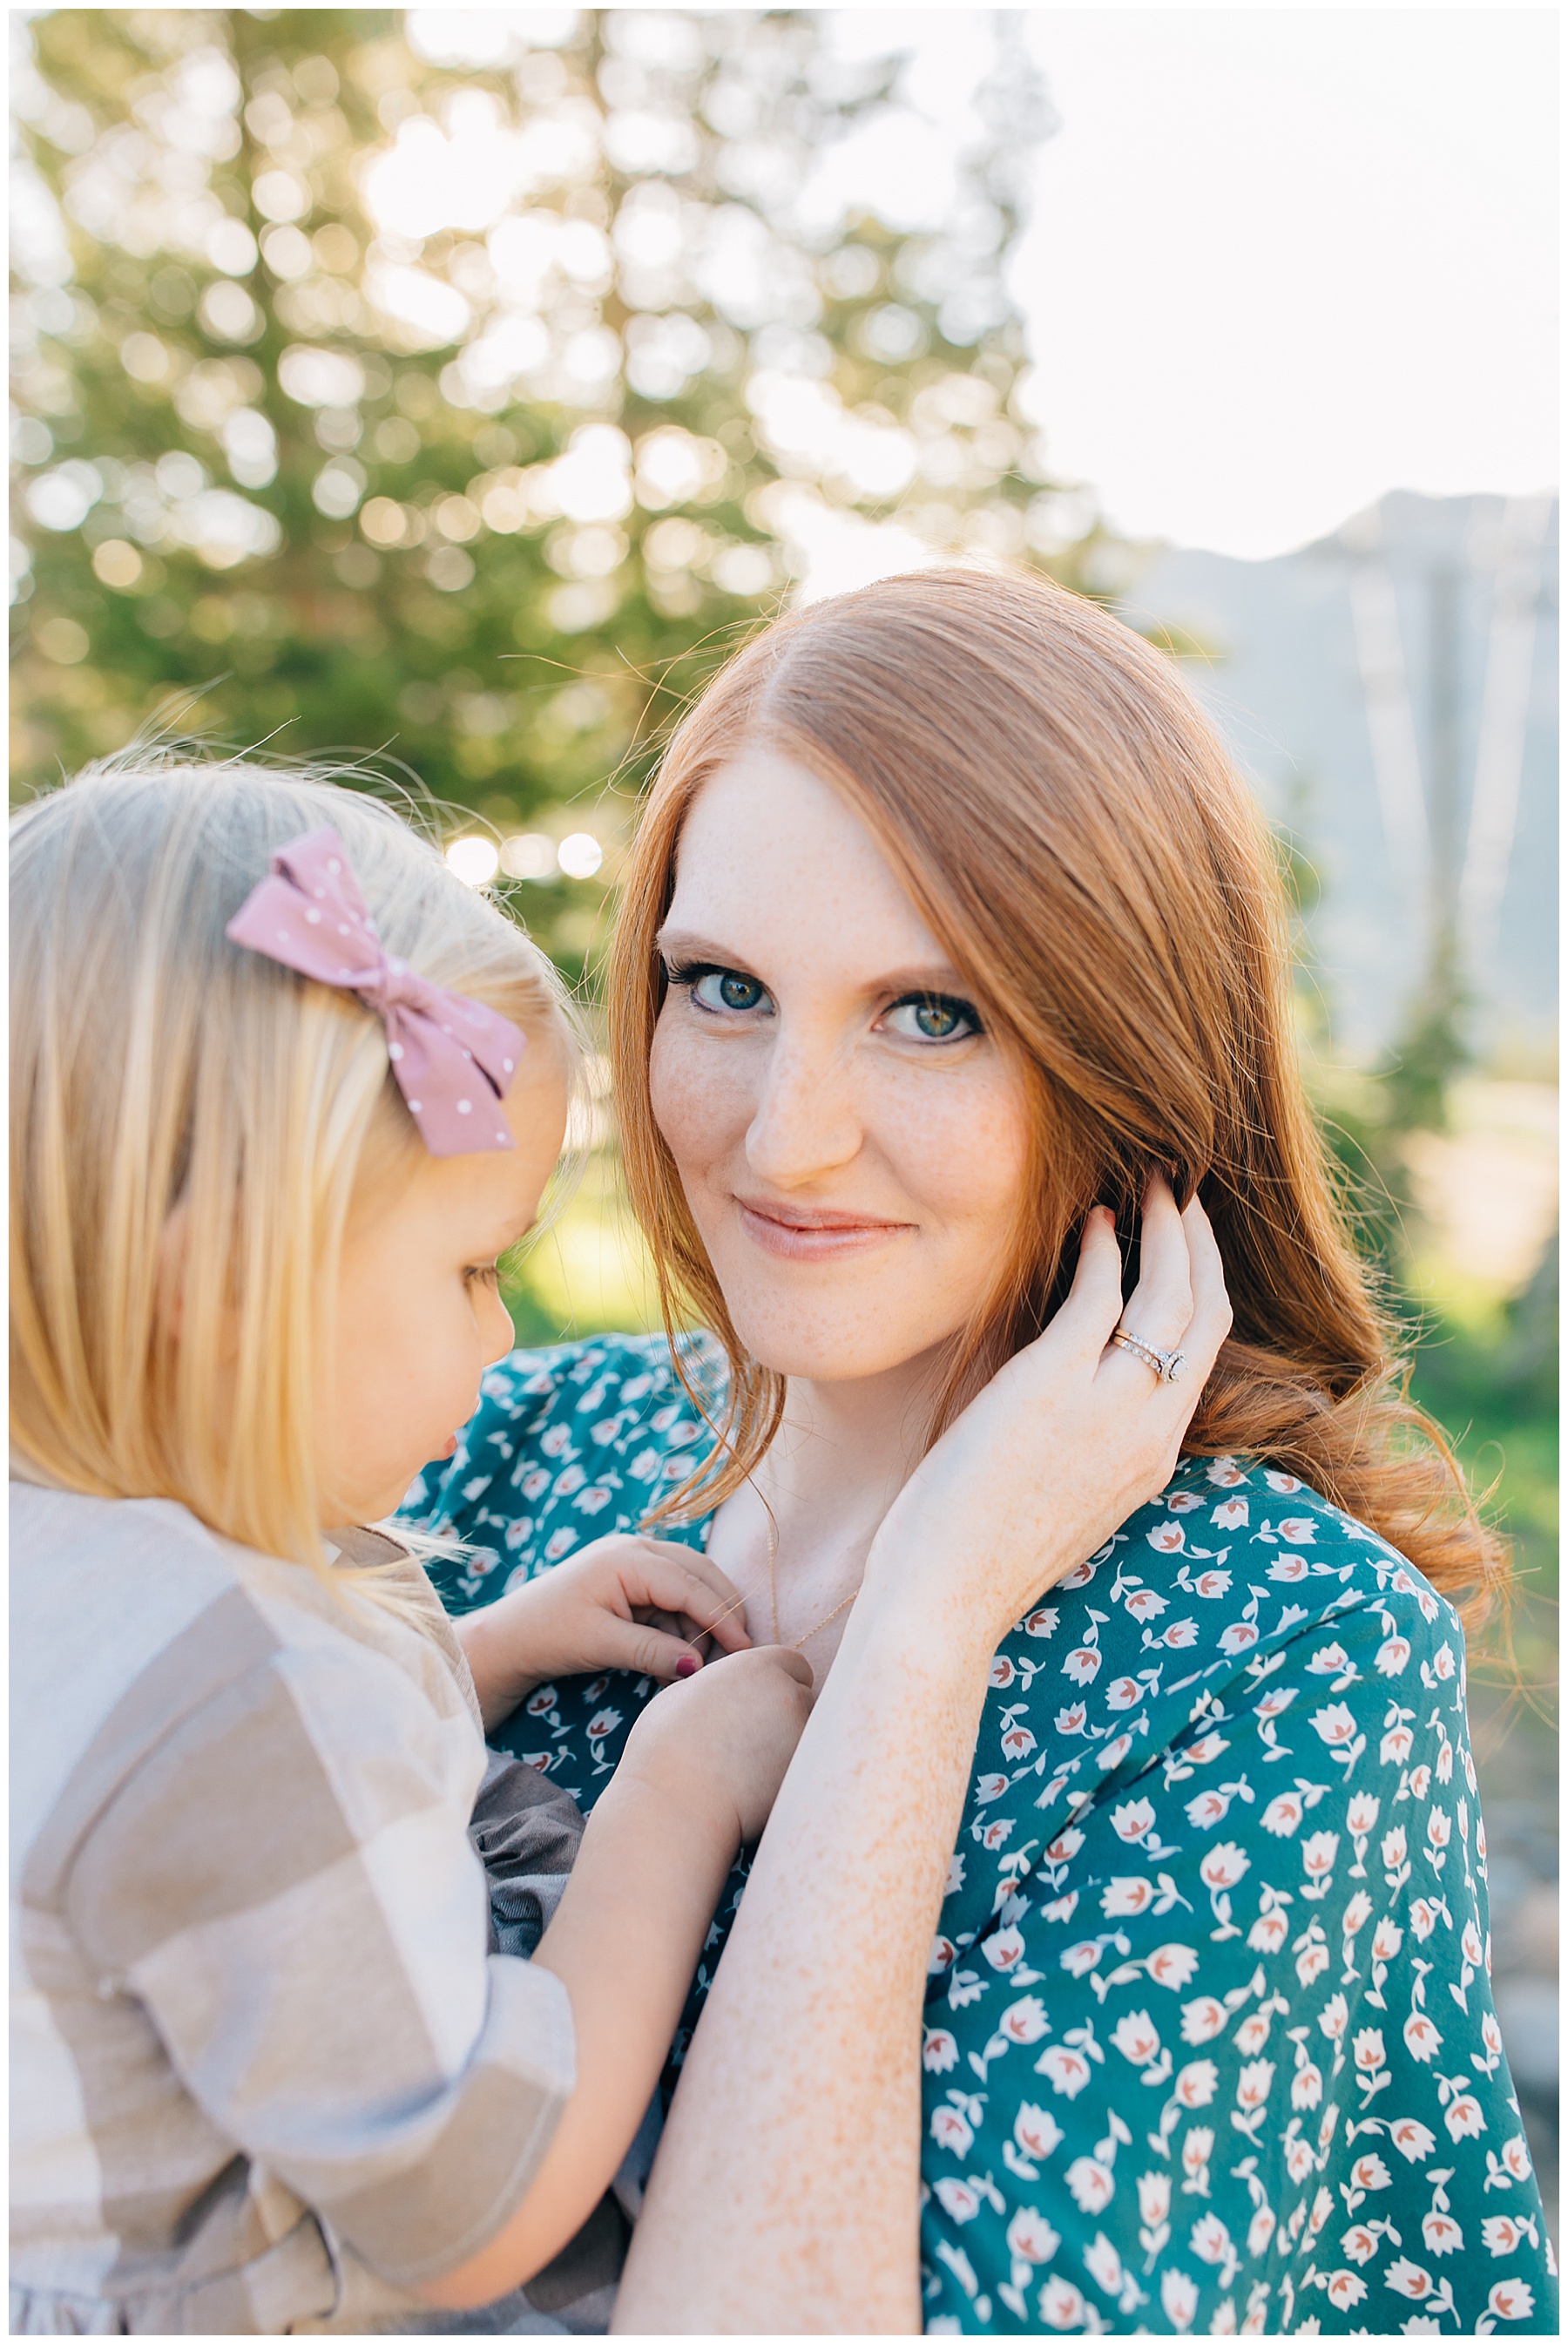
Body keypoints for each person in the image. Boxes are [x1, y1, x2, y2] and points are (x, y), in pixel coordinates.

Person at [407, 567, 1556, 2335]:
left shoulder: (1285, 1655)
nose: (787, 1138)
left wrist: (925, 1627)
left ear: (1129, 1059)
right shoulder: (504, 1444)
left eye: (932, 1013)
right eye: (724, 987)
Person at [9, 762, 812, 2337]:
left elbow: (189, 1837)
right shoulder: (235, 1694)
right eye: (472, 1268)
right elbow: (468, 2199)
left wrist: (478, 1650)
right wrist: (679, 1790)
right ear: (223, 1279)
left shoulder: (79, 1573)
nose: (505, 1333)